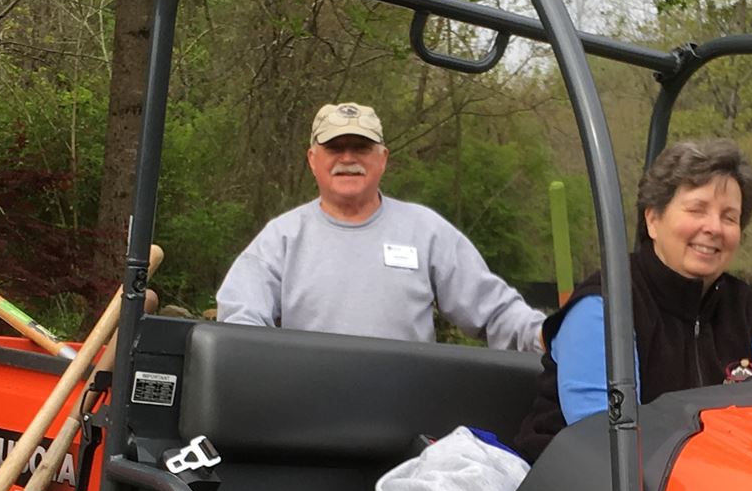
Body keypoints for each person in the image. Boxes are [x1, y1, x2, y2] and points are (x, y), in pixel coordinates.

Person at [516, 138, 752, 457]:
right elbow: (602, 441)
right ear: (652, 219)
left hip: (700, 488)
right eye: (697, 209)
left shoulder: (742, 308)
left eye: (729, 217)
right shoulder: (605, 305)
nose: (713, 228)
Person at [216, 101, 546, 349]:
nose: (348, 158)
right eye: (334, 148)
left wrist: (551, 337)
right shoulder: (281, 237)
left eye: (361, 147)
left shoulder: (427, 231)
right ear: (312, 160)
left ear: (383, 159)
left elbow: (496, 312)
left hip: (406, 415)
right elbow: (241, 320)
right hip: (305, 411)